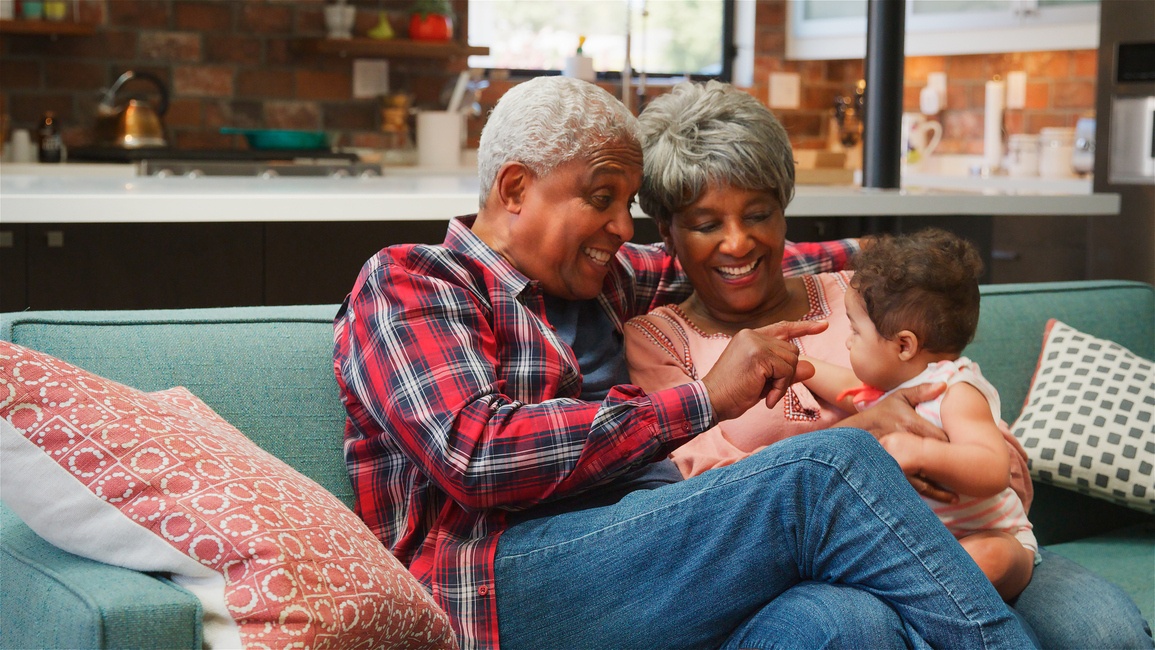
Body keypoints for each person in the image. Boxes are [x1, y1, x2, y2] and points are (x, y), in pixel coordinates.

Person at [333, 75, 1037, 649]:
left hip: (652, 551)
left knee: (838, 624)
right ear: (514, 189)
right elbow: (477, 456)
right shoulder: (414, 282)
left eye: (628, 206)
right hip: (497, 579)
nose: (621, 227)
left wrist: (891, 266)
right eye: (601, 198)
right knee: (828, 468)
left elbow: (741, 254)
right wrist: (703, 398)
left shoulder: (605, 277)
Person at [624, 79, 1152, 648]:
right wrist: (863, 438)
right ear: (669, 234)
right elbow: (700, 499)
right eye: (706, 224)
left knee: (1107, 635)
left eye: (759, 214)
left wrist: (957, 459)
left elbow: (987, 440)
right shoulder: (659, 339)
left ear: (784, 213)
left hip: (967, 532)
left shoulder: (863, 293)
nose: (738, 243)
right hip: (823, 574)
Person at [801, 228, 1036, 601]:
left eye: (855, 330)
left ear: (904, 345)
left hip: (994, 537)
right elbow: (845, 386)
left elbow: (993, 470)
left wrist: (921, 452)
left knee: (989, 556)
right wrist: (799, 363)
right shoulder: (889, 391)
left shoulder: (955, 391)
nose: (847, 340)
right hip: (926, 548)